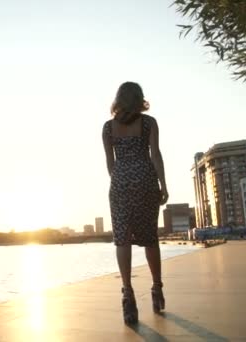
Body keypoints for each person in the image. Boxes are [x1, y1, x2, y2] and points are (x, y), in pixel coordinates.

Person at [102, 81, 169, 325]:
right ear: (139, 99)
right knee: (150, 237)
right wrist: (163, 184)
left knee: (122, 239)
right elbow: (155, 154)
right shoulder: (149, 123)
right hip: (146, 181)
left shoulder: (108, 128)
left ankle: (128, 295)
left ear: (118, 100)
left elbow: (110, 163)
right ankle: (157, 288)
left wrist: (121, 179)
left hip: (120, 184)